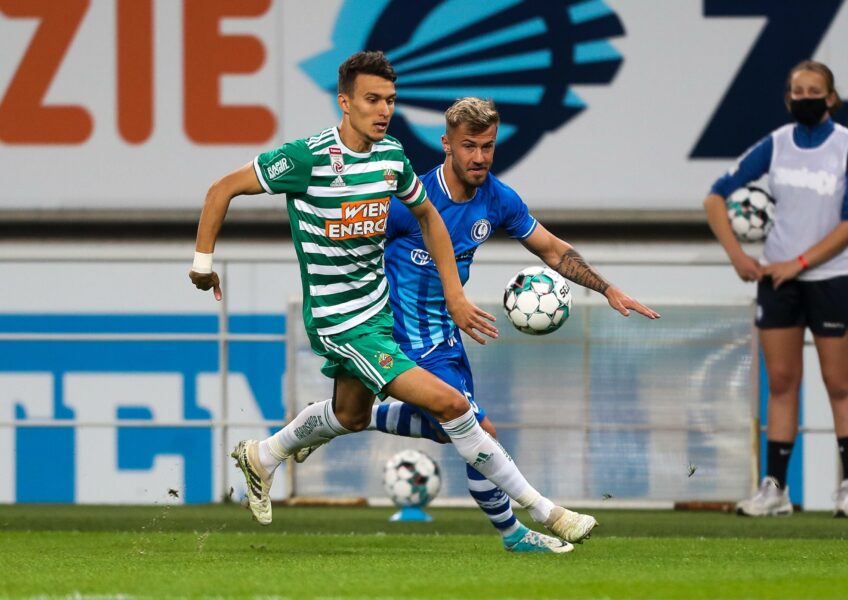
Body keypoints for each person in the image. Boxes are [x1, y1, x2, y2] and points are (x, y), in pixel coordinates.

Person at [189, 51, 598, 546]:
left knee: (351, 415)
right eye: (372, 99)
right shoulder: (305, 159)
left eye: (390, 100)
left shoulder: (390, 157)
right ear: (345, 102)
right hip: (340, 322)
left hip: (377, 313)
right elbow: (221, 188)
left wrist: (454, 296)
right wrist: (203, 264)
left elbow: (429, 218)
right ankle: (547, 513)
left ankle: (264, 455)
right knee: (454, 407)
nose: (384, 110)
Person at [294, 97, 660, 552]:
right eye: (469, 146)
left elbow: (551, 249)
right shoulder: (411, 201)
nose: (480, 157)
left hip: (446, 337)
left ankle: (343, 417)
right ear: (447, 144)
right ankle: (526, 527)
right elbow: (356, 249)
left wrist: (606, 288)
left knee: (446, 428)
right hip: (403, 335)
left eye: (488, 146)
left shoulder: (498, 199)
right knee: (478, 430)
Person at [703, 60, 848, 518]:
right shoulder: (776, 144)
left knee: (839, 382)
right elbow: (715, 197)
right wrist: (739, 257)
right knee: (780, 382)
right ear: (787, 98)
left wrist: (798, 264)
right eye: (798, 91)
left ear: (831, 97)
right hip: (777, 282)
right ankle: (775, 488)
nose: (806, 98)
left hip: (830, 278)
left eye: (814, 91)